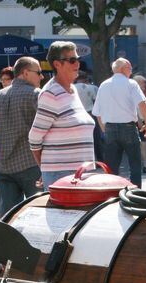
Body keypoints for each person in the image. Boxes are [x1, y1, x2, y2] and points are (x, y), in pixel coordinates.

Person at [0, 56, 42, 216]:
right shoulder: (35, 94)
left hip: (4, 164)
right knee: (36, 212)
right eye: (38, 72)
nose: (42, 76)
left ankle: (8, 241)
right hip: (30, 162)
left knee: (9, 216)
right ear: (25, 73)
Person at [28, 41, 96, 190]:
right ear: (57, 64)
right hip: (62, 176)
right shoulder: (51, 93)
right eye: (72, 60)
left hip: (81, 172)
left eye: (78, 59)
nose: (77, 63)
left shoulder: (72, 90)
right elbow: (34, 138)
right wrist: (45, 167)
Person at [92, 58, 146, 187]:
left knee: (111, 168)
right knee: (135, 165)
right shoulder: (131, 84)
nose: (131, 72)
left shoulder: (104, 85)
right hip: (128, 127)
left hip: (110, 128)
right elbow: (142, 104)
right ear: (123, 68)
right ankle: (135, 193)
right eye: (130, 68)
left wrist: (104, 129)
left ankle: (111, 193)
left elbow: (97, 113)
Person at [74, 70, 103, 160]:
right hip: (90, 113)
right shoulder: (92, 88)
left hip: (77, 114)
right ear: (86, 78)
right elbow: (97, 102)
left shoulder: (71, 88)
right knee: (95, 137)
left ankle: (83, 159)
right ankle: (99, 158)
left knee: (79, 139)